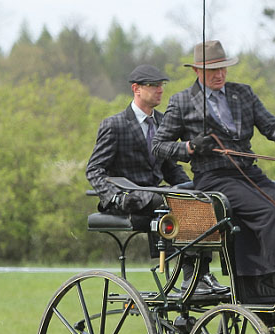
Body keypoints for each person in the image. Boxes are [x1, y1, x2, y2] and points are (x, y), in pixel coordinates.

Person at [153, 40, 275, 301]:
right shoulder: (182, 102)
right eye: (213, 70)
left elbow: (270, 125)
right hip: (213, 177)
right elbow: (159, 146)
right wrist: (190, 147)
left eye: (223, 68)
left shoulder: (243, 93)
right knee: (268, 213)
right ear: (197, 71)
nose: (220, 74)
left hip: (248, 173)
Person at [86, 64, 228, 294]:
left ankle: (201, 273)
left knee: (202, 198)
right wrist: (115, 198)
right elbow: (94, 169)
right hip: (129, 197)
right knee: (177, 200)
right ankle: (191, 277)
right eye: (153, 85)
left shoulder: (163, 123)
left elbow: (170, 168)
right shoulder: (115, 125)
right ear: (136, 89)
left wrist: (194, 188)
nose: (160, 90)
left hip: (157, 195)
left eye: (161, 85)